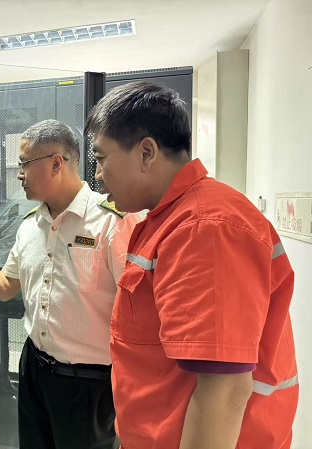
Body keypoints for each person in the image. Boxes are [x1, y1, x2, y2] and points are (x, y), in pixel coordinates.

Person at [86, 81, 298, 449]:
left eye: (101, 158)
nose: (97, 176)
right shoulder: (171, 218)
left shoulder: (203, 227)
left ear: (147, 152)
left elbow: (224, 388)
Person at [0, 119, 140, 449]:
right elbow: (5, 286)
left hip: (88, 382)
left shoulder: (111, 222)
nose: (19, 174)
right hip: (34, 370)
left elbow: (137, 312)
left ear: (56, 163)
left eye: (24, 164)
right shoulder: (29, 225)